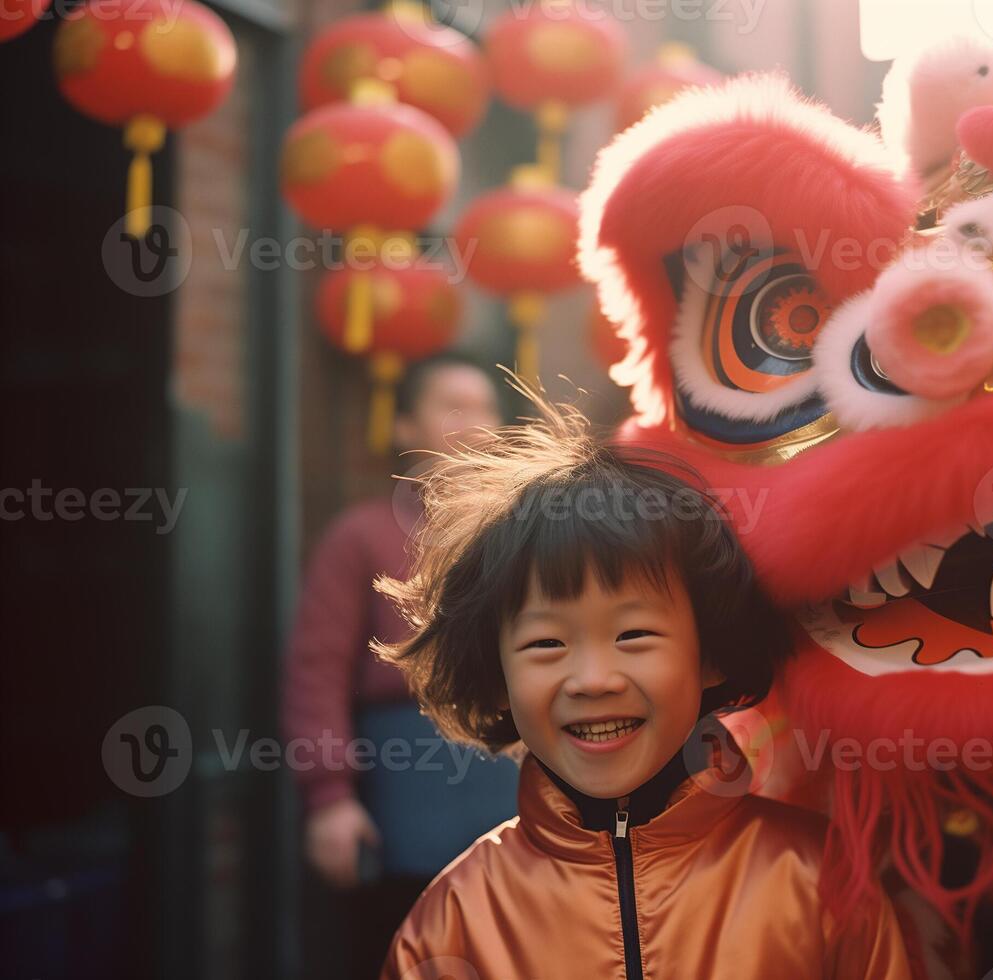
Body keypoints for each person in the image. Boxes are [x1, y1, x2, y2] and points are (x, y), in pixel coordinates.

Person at [372, 406, 913, 979]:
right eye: (546, 644)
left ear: (711, 656)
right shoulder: (456, 918)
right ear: (498, 677)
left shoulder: (816, 878)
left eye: (633, 635)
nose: (593, 679)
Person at [281, 352, 518, 980]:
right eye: (454, 407)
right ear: (407, 426)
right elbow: (317, 671)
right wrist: (329, 797)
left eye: (487, 408)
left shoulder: (523, 536)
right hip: (405, 783)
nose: (476, 424)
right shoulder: (360, 536)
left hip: (511, 780)